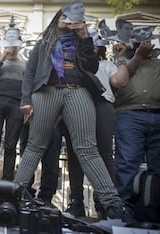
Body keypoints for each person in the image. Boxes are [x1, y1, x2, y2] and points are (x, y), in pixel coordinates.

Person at [14, 3, 126, 220]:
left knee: (88, 148)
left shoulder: (82, 41)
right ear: (57, 18)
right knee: (35, 146)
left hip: (78, 91)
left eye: (73, 16)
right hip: (46, 92)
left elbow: (92, 68)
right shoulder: (43, 44)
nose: (67, 19)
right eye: (64, 15)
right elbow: (29, 74)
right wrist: (26, 100)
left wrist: (84, 36)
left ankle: (113, 204)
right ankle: (14, 195)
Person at [64, 29, 130, 218]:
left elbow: (120, 82)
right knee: (74, 154)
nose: (90, 45)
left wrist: (121, 57)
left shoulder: (106, 64)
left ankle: (106, 205)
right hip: (75, 103)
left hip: (101, 104)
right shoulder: (73, 64)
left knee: (104, 154)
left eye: (94, 42)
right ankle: (76, 202)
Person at [113, 38, 160, 223]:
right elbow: (118, 83)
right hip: (130, 114)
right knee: (126, 163)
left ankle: (158, 209)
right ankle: (123, 212)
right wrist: (135, 58)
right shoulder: (122, 64)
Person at [0, 27, 26, 181]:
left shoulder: (25, 65)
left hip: (16, 102)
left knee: (11, 144)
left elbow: (28, 87)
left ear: (20, 45)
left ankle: (7, 181)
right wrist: (1, 59)